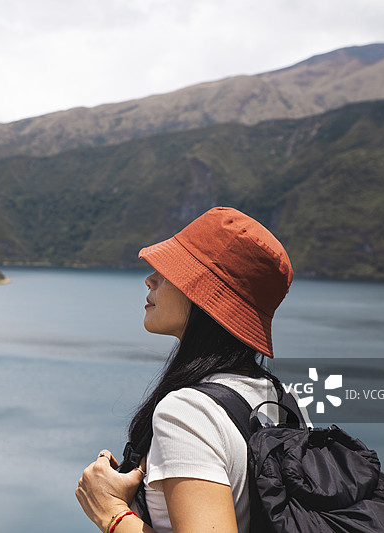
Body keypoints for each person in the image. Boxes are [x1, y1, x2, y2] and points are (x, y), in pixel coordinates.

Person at [76, 206, 295, 533]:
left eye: (171, 270)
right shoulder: (281, 400)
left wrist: (110, 513)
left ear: (208, 297)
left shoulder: (189, 412)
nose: (150, 278)